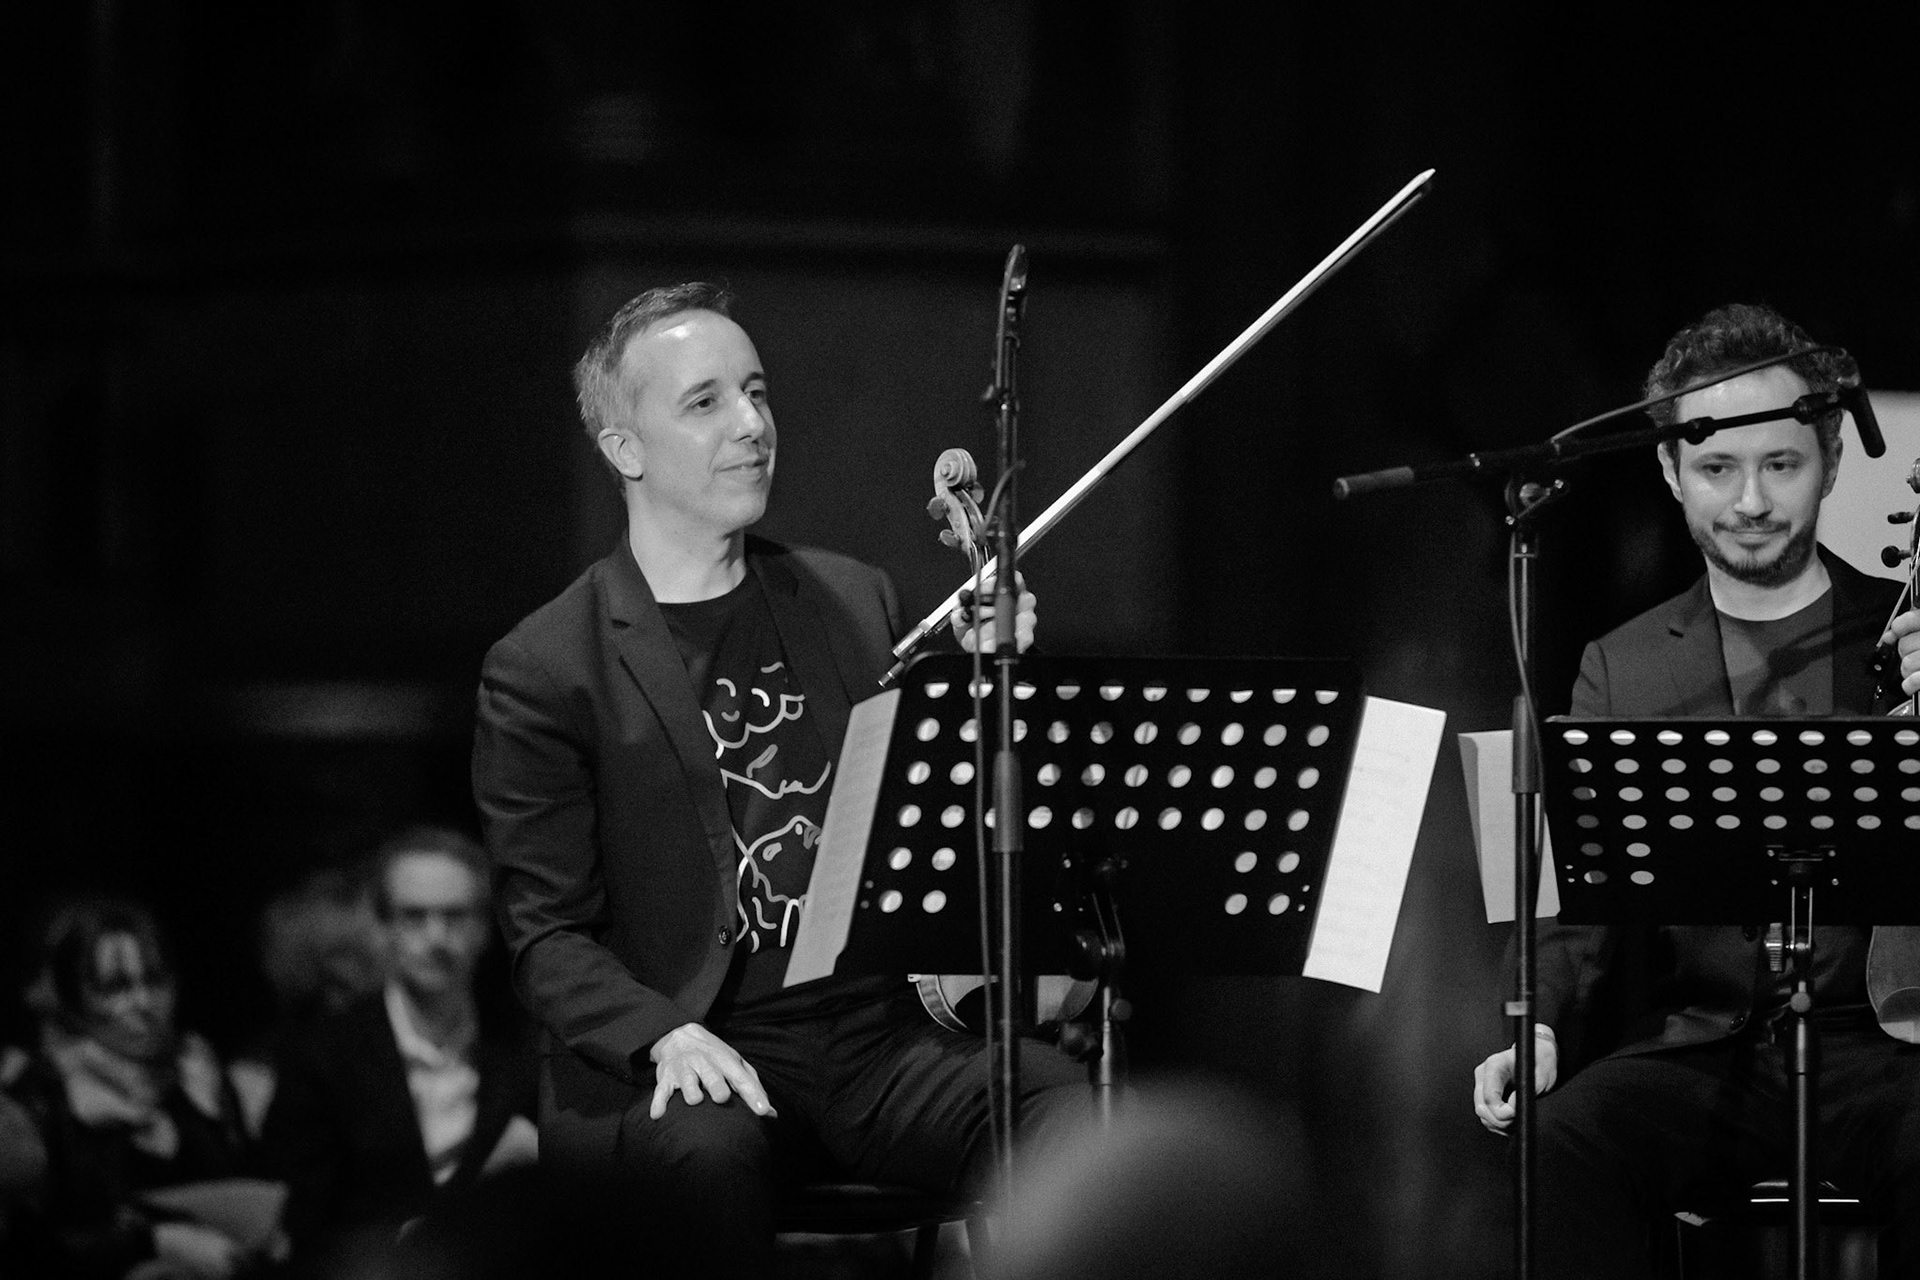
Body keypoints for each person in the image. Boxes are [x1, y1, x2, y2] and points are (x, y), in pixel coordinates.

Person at [470, 282, 1085, 1275]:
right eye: (706, 401)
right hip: (696, 1033)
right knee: (702, 1155)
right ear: (626, 448)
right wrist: (661, 1035)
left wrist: (986, 683)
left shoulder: (851, 595)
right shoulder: (546, 664)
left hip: (874, 1037)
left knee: (1055, 1101)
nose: (753, 424)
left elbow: (935, 814)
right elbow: (544, 936)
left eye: (757, 392)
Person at [1471, 302, 1920, 1277]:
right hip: (1707, 1046)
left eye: (1782, 464)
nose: (1751, 498)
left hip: (1883, 1046)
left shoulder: (1903, 635)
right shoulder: (1621, 665)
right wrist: (1535, 1018)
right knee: (1565, 1139)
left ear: (1834, 458)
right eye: (1717, 467)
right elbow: (1575, 899)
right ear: (1671, 470)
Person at [261, 826, 536, 1270]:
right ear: (381, 927)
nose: (436, 937)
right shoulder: (323, 1054)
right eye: (414, 916)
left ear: (485, 928)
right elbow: (299, 1217)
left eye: (455, 916)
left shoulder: (527, 1043)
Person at [5, 898, 263, 1279]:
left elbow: (246, 1181)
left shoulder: (199, 1073)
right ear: (74, 998)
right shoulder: (45, 1097)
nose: (143, 1002)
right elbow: (31, 1247)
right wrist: (152, 1241)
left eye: (155, 980)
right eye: (115, 987)